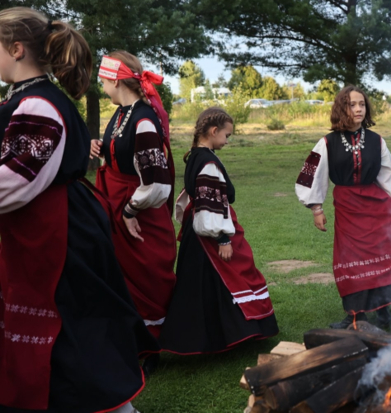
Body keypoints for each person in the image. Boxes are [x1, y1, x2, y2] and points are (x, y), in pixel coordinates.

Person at [0, 8, 156, 413]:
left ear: (16, 49)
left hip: (54, 236)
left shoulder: (38, 104)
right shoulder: (26, 97)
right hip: (45, 229)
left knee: (72, 332)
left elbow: (14, 179)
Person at [296, 86, 391, 329]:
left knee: (386, 255)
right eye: (352, 104)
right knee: (351, 258)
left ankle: (383, 309)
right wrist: (316, 209)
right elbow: (311, 176)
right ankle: (355, 314)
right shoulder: (326, 143)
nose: (358, 109)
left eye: (361, 104)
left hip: (377, 203)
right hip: (347, 207)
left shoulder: (376, 140)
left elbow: (389, 173)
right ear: (342, 108)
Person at [160, 107, 278, 354]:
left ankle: (210, 335)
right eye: (226, 135)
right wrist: (223, 238)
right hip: (211, 231)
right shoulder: (209, 162)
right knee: (229, 276)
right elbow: (210, 204)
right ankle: (232, 333)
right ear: (213, 132)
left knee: (204, 284)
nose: (227, 140)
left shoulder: (196, 155)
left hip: (200, 228)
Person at [90, 51, 176, 344]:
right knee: (120, 272)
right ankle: (128, 336)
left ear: (115, 79)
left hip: (140, 210)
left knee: (146, 274)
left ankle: (151, 341)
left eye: (103, 79)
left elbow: (156, 182)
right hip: (116, 202)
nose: (101, 85)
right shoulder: (122, 112)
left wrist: (130, 211)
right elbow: (124, 151)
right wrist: (101, 147)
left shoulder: (143, 120)